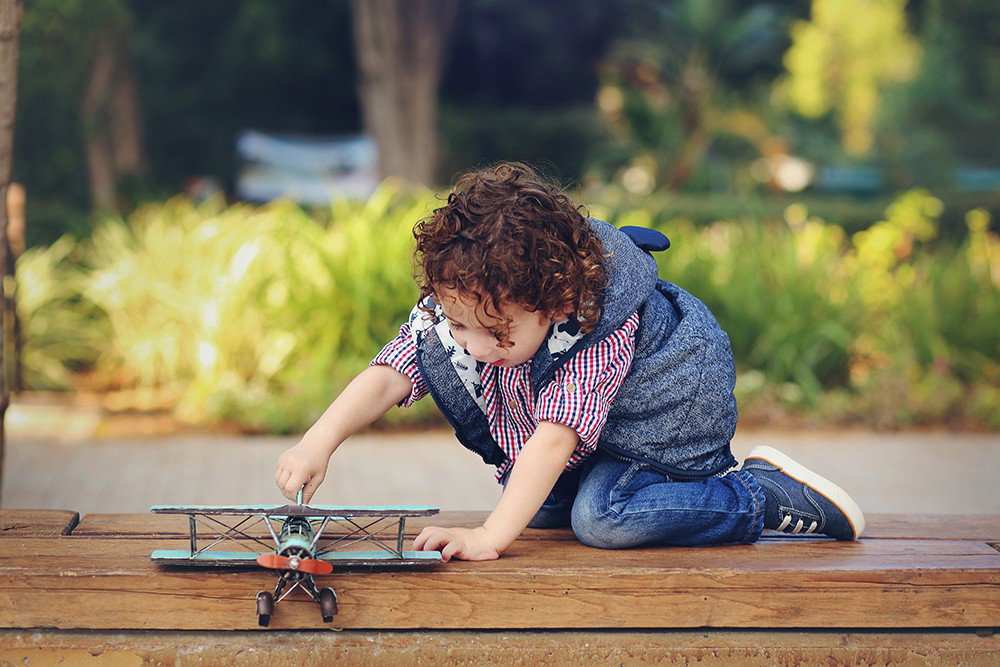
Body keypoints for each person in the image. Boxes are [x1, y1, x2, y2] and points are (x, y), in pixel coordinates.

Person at [274, 162, 865, 561]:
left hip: (658, 431)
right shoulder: (468, 298)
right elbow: (389, 374)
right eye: (458, 326)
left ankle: (761, 494)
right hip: (600, 437)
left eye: (497, 336)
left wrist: (488, 536)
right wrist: (316, 443)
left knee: (602, 519)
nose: (474, 347)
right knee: (541, 511)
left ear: (552, 303)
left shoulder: (594, 331)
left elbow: (553, 441)